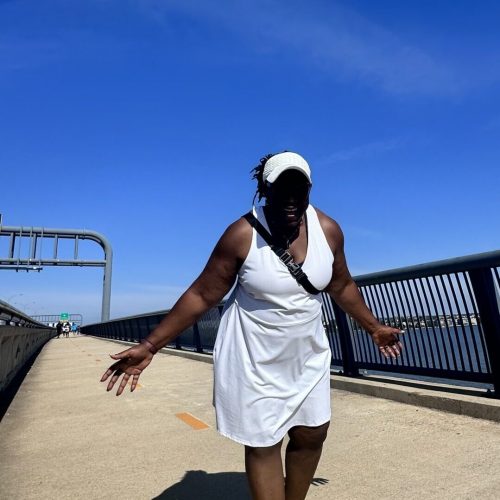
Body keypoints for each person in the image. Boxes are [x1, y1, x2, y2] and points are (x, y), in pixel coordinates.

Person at [101, 151, 403, 500]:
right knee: (264, 441)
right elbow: (202, 294)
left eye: (299, 189)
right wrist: (151, 345)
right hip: (252, 355)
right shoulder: (241, 234)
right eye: (281, 189)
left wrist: (373, 327)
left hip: (306, 352)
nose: (291, 198)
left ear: (309, 189)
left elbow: (341, 284)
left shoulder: (329, 230)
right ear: (264, 190)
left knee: (312, 432)